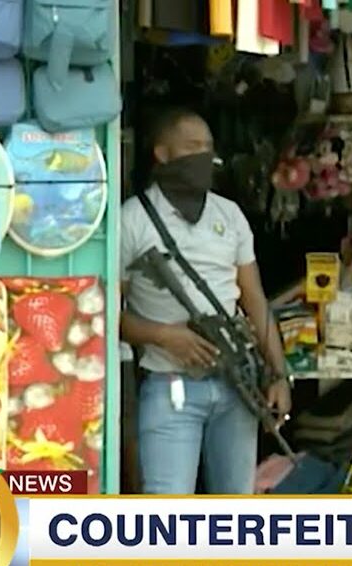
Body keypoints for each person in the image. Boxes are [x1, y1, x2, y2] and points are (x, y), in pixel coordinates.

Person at [120, 106, 292, 495]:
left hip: (236, 385)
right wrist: (164, 336)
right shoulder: (132, 220)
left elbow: (255, 301)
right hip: (171, 386)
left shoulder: (229, 215)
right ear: (162, 153)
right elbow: (105, 316)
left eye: (208, 147)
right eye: (192, 146)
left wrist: (278, 374)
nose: (204, 156)